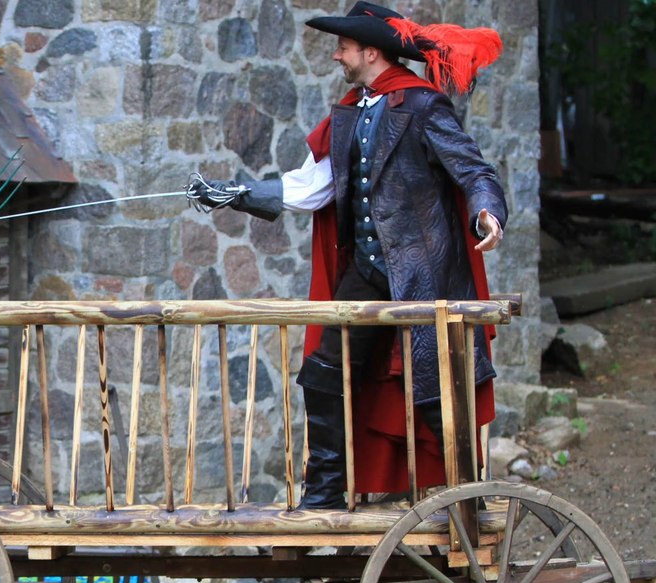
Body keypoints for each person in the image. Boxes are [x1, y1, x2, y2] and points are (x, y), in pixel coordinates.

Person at [193, 2, 507, 509]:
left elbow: (474, 171)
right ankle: (324, 494)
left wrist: (487, 213)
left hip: (422, 273)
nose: (336, 55)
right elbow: (313, 186)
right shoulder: (350, 112)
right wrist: (235, 194)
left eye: (343, 47)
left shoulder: (424, 107)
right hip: (366, 272)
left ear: (371, 52)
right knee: (325, 374)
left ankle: (465, 499)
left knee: (434, 387)